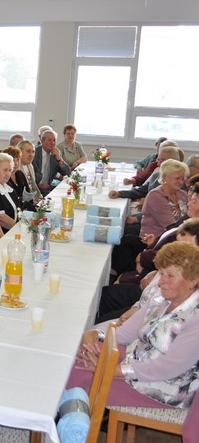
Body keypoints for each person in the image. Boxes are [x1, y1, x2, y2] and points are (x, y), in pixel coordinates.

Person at [70, 242, 199, 415]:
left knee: (79, 373)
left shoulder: (195, 318)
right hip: (136, 362)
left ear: (193, 280)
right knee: (80, 355)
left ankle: (72, 425)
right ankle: (74, 419)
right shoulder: (161, 299)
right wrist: (95, 335)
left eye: (170, 275)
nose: (161, 282)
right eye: (161, 273)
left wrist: (111, 370)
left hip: (165, 389)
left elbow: (167, 368)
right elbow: (125, 333)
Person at [140, 159, 189, 239]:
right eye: (177, 178)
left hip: (177, 237)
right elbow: (170, 226)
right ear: (164, 177)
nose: (180, 182)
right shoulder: (155, 196)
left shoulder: (183, 194)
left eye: (182, 179)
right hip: (154, 240)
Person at [32, 129, 71, 195]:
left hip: (47, 188)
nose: (52, 143)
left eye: (54, 140)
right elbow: (28, 176)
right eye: (49, 140)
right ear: (42, 141)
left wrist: (59, 159)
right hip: (35, 189)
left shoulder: (55, 154)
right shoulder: (34, 153)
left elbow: (68, 174)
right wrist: (38, 185)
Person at [1, 146, 33, 211]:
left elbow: (28, 193)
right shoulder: (4, 177)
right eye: (13, 160)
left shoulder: (20, 174)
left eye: (18, 160)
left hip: (25, 208)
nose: (16, 163)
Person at [17, 140, 42, 204]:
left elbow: (33, 186)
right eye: (28, 151)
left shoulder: (30, 165)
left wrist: (40, 198)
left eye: (33, 152)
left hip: (34, 199)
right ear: (19, 151)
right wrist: (33, 202)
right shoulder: (15, 168)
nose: (31, 155)